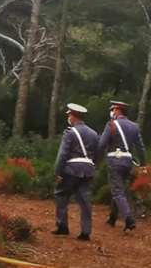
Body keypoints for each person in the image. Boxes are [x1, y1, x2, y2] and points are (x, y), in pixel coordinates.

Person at [51, 103, 99, 241]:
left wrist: (58, 171)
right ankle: (86, 231)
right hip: (88, 170)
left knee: (62, 194)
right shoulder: (94, 133)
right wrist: (94, 167)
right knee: (84, 200)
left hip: (71, 169)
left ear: (72, 117)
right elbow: (97, 154)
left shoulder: (70, 133)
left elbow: (63, 154)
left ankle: (62, 226)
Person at [97, 101, 146, 232]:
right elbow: (140, 147)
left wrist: (96, 161)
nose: (112, 112)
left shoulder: (111, 125)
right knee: (119, 190)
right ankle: (112, 218)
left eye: (113, 110)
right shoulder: (134, 126)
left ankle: (129, 218)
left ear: (118, 111)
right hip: (127, 163)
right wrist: (143, 164)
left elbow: (101, 145)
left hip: (114, 161)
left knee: (117, 191)